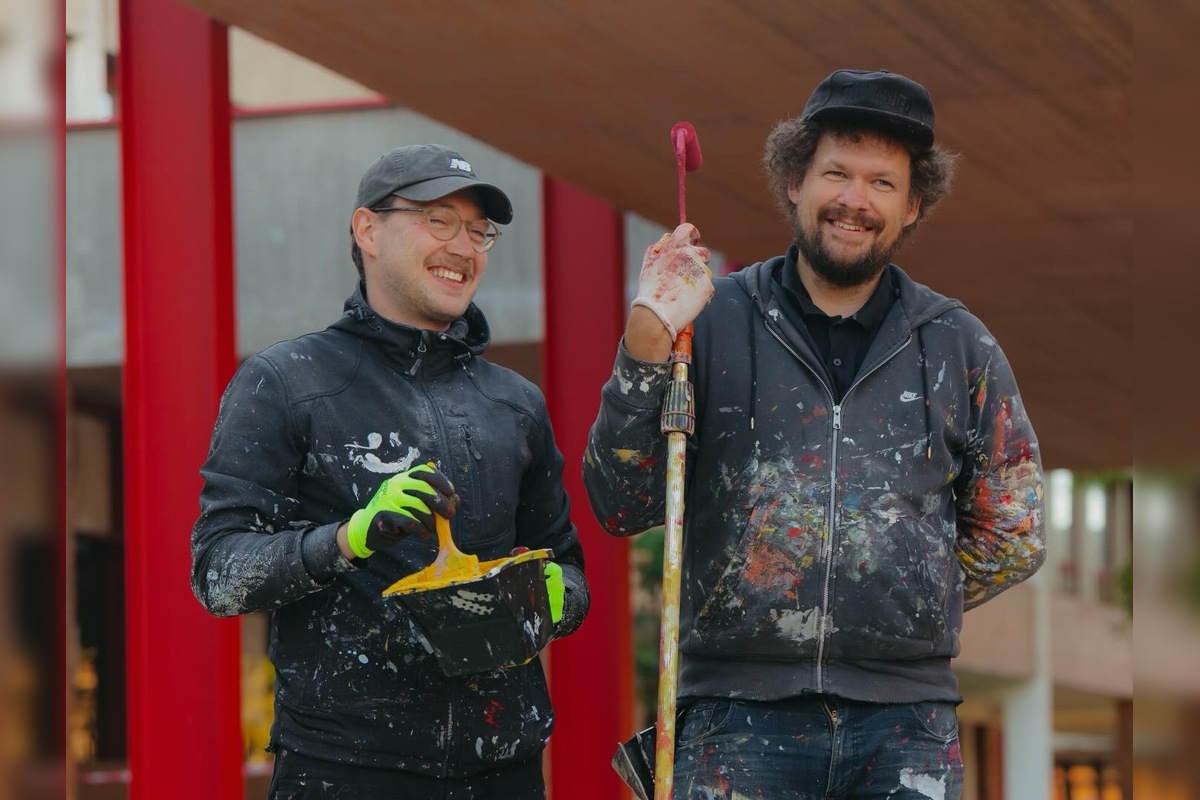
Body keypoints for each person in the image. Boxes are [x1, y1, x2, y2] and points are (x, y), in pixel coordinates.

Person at [584, 69, 1045, 799]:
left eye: (882, 183)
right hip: (736, 719)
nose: (855, 201)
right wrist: (646, 340)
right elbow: (621, 500)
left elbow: (1014, 530)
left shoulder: (959, 345)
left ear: (913, 203)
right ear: (795, 179)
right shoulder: (705, 323)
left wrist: (895, 592)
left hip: (905, 726)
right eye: (836, 172)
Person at [192, 143, 589, 800]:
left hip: (504, 768)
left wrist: (555, 594)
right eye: (439, 220)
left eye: (478, 230)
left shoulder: (516, 403)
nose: (464, 247)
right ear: (367, 229)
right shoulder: (287, 382)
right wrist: (348, 538)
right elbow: (218, 575)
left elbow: (570, 572)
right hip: (344, 768)